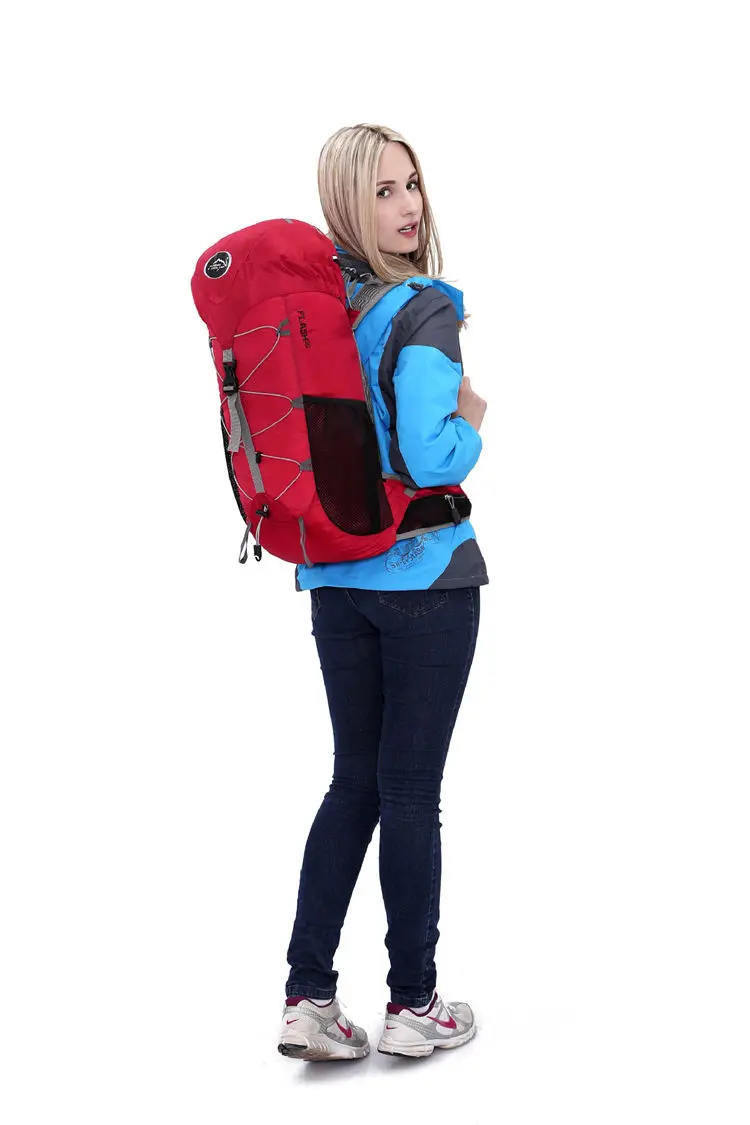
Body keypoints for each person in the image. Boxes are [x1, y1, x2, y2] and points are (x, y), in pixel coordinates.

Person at [277, 124, 488, 1062]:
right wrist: (473, 421)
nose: (407, 207)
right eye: (383, 191)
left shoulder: (318, 314)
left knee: (351, 783)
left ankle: (307, 999)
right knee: (408, 789)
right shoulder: (424, 307)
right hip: (426, 578)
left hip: (333, 578)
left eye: (412, 185)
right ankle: (414, 1003)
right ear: (346, 204)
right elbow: (430, 455)